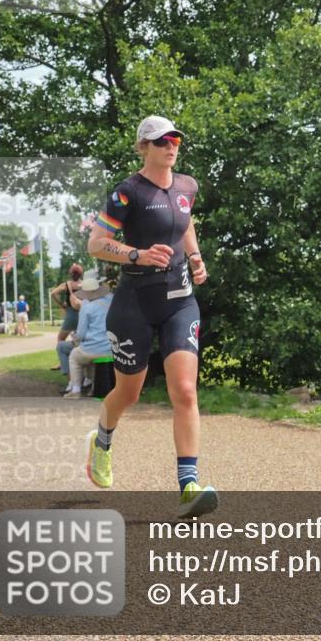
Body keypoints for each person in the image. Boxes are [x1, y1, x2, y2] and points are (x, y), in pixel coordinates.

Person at [85, 115, 212, 518]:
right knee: (129, 393)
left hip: (180, 301)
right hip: (134, 303)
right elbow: (97, 244)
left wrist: (193, 255)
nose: (171, 146)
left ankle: (188, 486)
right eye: (161, 141)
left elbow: (185, 219)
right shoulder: (128, 192)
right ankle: (102, 441)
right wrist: (137, 254)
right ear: (144, 146)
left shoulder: (187, 185)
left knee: (186, 391)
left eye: (175, 139)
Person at [63, 273, 114, 399]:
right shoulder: (110, 299)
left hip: (94, 348)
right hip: (112, 347)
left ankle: (75, 390)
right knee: (90, 361)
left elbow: (81, 333)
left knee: (74, 357)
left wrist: (75, 337)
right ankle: (94, 387)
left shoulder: (86, 307)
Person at [50, 264, 84, 369]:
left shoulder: (67, 285)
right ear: (81, 274)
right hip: (82, 315)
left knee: (61, 338)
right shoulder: (84, 285)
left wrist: (61, 305)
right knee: (81, 339)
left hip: (70, 315)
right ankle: (81, 361)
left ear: (70, 274)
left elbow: (53, 293)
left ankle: (63, 361)